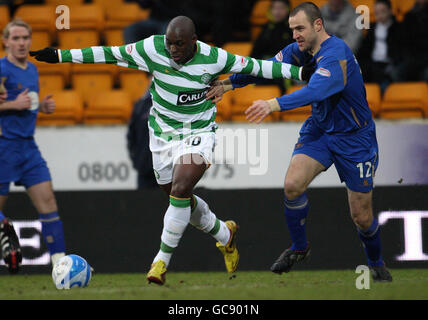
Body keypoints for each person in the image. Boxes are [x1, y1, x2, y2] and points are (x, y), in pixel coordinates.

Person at [30, 15, 314, 285]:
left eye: (180, 44)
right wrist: (59, 55)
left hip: (198, 131)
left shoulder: (214, 57)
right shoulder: (152, 48)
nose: (173, 49)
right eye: (170, 43)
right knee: (181, 199)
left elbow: (260, 67)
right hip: (162, 136)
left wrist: (301, 72)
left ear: (194, 41)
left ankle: (160, 262)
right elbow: (109, 53)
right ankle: (225, 234)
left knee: (179, 189)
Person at [206, 2, 392, 282]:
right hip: (319, 130)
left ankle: (376, 265)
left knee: (361, 217)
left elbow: (317, 90)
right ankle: (299, 247)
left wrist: (273, 104)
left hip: (355, 138)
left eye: (300, 28)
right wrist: (228, 84)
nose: (294, 35)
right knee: (292, 185)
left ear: (318, 25)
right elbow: (266, 68)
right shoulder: (300, 51)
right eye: (292, 29)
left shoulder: (336, 53)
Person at [0, 19, 66, 274]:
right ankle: (5, 228)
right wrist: (11, 106)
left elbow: (28, 104)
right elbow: (15, 105)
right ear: (5, 41)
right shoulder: (2, 69)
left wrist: (43, 108)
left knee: (48, 202)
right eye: (16, 38)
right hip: (4, 148)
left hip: (28, 148)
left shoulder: (32, 70)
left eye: (25, 38)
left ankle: (60, 264)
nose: (21, 43)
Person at [356, 0, 402, 94]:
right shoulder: (372, 28)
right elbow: (364, 50)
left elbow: (400, 51)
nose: (380, 15)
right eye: (377, 13)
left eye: (383, 11)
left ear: (390, 11)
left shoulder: (398, 28)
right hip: (373, 65)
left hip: (389, 65)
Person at [250, 0, 294, 92]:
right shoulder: (266, 29)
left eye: (281, 8)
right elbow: (255, 53)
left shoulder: (292, 29)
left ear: (288, 10)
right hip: (266, 68)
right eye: (275, 8)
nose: (277, 11)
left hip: (286, 69)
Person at [126, 83, 158, 189]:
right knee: (143, 202)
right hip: (144, 168)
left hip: (167, 168)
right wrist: (137, 160)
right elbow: (131, 136)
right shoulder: (140, 105)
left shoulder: (171, 105)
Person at [396, 0, 428, 82]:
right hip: (412, 58)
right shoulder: (409, 16)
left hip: (425, 58)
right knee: (398, 72)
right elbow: (404, 41)